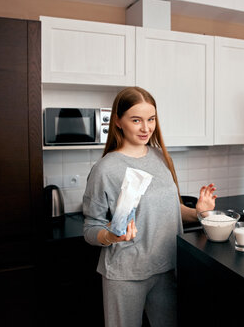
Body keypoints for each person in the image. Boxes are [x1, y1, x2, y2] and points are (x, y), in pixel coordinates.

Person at [82, 86, 217, 327]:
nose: (146, 128)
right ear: (118, 122)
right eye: (136, 120)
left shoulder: (161, 157)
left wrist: (199, 212)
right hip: (125, 273)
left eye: (151, 119)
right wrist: (111, 235)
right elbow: (91, 228)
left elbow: (172, 210)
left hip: (167, 267)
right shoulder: (105, 169)